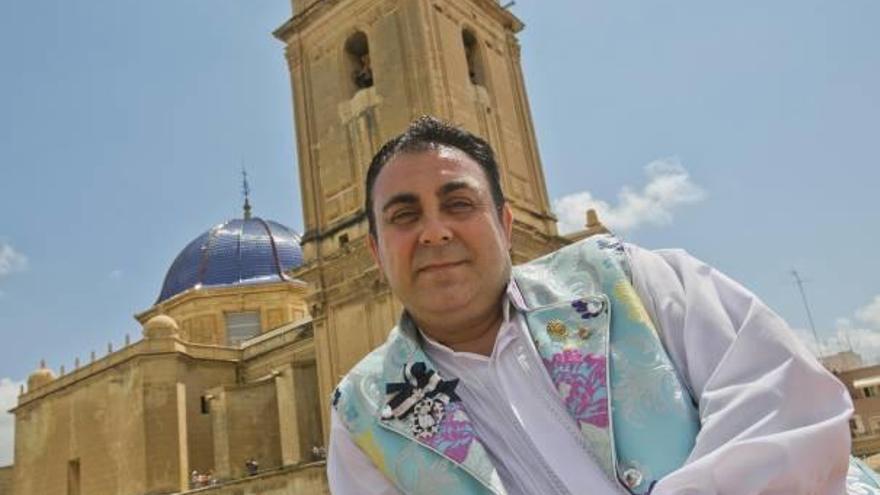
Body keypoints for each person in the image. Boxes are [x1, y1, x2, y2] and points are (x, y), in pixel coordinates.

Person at [328, 116, 878, 494]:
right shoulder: (362, 415)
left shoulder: (633, 279)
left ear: (506, 223)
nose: (434, 232)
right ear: (376, 250)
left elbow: (781, 401)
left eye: (459, 203)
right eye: (404, 216)